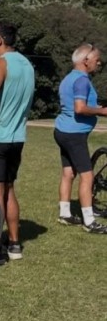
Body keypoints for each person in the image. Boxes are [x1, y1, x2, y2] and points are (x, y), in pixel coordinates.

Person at [0, 22, 36, 262]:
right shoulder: (27, 65)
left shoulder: (0, 63)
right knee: (9, 190)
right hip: (16, 138)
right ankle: (14, 244)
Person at [53, 43, 107, 233]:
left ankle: (65, 213)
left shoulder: (69, 78)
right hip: (74, 134)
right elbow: (80, 108)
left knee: (68, 173)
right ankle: (89, 221)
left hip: (62, 131)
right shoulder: (82, 80)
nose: (99, 63)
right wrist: (102, 111)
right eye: (96, 59)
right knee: (87, 176)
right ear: (86, 61)